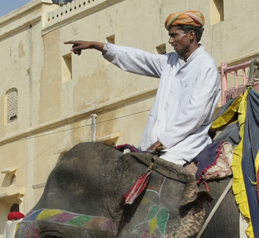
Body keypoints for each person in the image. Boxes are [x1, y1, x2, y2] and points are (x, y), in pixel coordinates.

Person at [67, 11, 221, 165]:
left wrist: (164, 140)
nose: (170, 40)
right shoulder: (170, 61)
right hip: (154, 145)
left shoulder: (206, 66)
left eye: (174, 35)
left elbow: (195, 113)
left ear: (191, 35)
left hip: (185, 147)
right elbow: (138, 58)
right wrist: (97, 46)